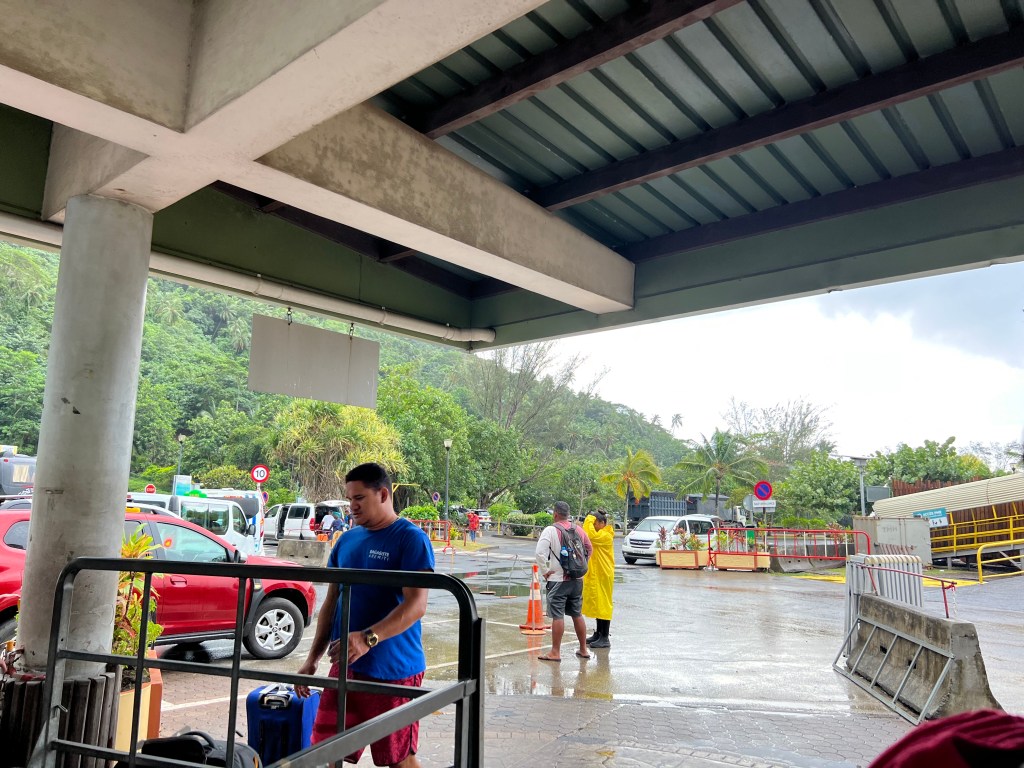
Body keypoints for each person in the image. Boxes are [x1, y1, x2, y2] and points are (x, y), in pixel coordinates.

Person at [296, 463, 434, 768]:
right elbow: (332, 603)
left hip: (394, 670)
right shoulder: (346, 540)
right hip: (344, 663)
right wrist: (312, 658)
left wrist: (368, 638)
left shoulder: (410, 539)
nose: (352, 506)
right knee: (330, 748)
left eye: (359, 498)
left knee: (398, 758)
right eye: (349, 499)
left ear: (383, 494)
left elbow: (416, 605)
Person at [534, 501, 592, 662]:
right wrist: (580, 565)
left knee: (558, 616)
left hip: (558, 579)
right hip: (577, 580)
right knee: (577, 614)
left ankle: (555, 652)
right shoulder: (578, 529)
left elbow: (539, 553)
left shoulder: (550, 530)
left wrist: (545, 571)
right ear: (568, 514)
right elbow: (589, 548)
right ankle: (583, 649)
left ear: (555, 514)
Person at [582, 509, 614, 648]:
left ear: (602, 523)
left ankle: (605, 637)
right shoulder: (599, 533)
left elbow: (589, 534)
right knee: (597, 603)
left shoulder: (606, 535)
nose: (593, 526)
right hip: (597, 572)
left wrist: (589, 518)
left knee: (604, 604)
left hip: (603, 573)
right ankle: (599, 633)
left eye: (595, 523)